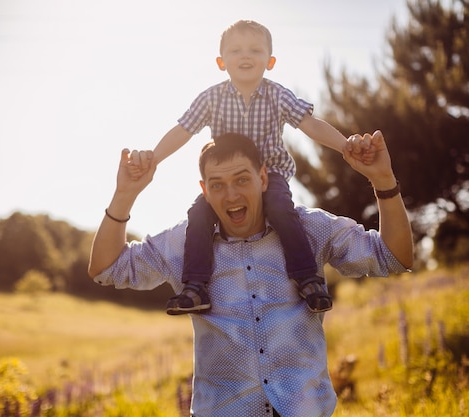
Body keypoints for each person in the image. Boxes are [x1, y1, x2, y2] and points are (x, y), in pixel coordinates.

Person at [88, 130, 413, 417]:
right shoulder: (183, 244)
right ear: (204, 189)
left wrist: (383, 181)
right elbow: (106, 268)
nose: (230, 195)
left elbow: (393, 257)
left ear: (262, 179)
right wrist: (125, 194)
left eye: (242, 180)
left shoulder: (309, 229)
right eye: (217, 185)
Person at [140, 19, 365, 315]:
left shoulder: (277, 94)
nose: (245, 56)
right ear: (221, 62)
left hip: (270, 175)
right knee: (198, 213)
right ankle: (195, 287)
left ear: (269, 61)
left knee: (280, 208)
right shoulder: (212, 98)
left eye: (255, 50)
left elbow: (310, 124)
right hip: (227, 177)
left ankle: (307, 278)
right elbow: (183, 130)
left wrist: (345, 145)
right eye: (235, 50)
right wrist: (154, 157)